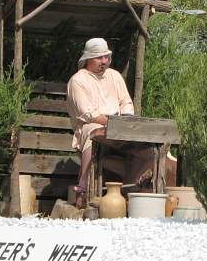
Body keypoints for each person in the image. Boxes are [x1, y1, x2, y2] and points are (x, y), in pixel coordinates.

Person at [66, 38, 155, 207]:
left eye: (106, 57)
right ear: (88, 58)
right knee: (93, 131)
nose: (104, 61)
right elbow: (88, 114)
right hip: (90, 127)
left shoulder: (114, 76)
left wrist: (126, 118)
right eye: (99, 58)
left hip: (120, 127)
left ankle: (135, 188)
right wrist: (112, 123)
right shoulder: (77, 81)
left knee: (148, 145)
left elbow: (126, 102)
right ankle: (83, 186)